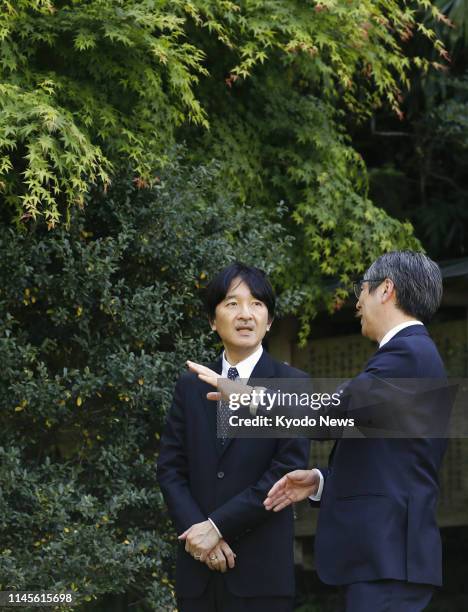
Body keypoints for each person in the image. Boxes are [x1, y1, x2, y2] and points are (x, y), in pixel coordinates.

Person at [263, 250, 449, 612]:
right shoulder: (409, 355)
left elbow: (325, 419)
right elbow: (393, 462)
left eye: (362, 289)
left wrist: (243, 396)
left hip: (388, 556)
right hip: (388, 556)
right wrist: (321, 482)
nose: (357, 301)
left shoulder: (406, 355)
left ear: (386, 290)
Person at [157, 262, 310, 612]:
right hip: (198, 575)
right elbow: (170, 469)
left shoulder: (292, 385)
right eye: (232, 303)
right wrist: (202, 535)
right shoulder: (190, 386)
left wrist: (218, 526)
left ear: (269, 321)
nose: (245, 314)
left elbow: (286, 469)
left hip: (260, 575)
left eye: (256, 304)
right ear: (213, 320)